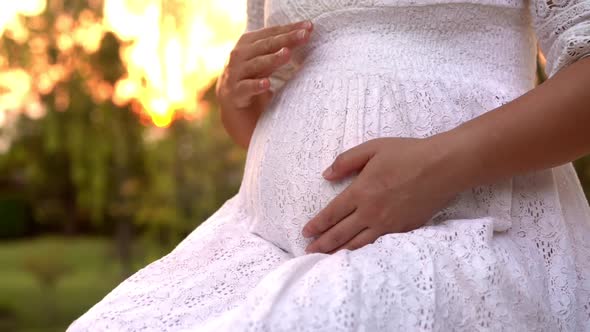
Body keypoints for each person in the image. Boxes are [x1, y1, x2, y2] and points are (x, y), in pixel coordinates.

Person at [68, 0, 590, 330]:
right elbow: (277, 121)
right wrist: (236, 98)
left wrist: (441, 164)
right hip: (259, 241)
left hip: (461, 228)